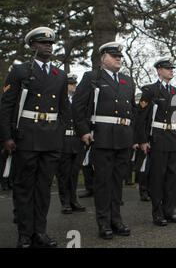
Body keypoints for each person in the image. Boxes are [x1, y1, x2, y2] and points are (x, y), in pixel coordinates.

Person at [0, 27, 70, 248]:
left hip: (50, 138)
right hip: (27, 136)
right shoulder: (20, 71)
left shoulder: (60, 75)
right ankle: (24, 233)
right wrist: (6, 137)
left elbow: (64, 110)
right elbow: (6, 105)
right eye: (42, 43)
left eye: (50, 43)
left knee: (43, 188)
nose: (48, 46)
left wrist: (60, 134)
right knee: (24, 187)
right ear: (32, 46)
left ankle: (40, 231)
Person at [72, 41, 135, 240]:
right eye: (113, 55)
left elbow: (132, 110)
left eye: (120, 56)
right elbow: (78, 107)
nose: (118, 58)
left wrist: (133, 135)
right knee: (103, 182)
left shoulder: (127, 81)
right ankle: (104, 222)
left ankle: (116, 220)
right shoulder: (92, 78)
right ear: (103, 58)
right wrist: (83, 131)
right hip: (102, 136)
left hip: (123, 137)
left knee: (117, 182)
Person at [136, 57, 176, 227]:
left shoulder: (175, 92)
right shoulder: (150, 90)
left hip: (173, 137)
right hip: (157, 137)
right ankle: (157, 213)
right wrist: (142, 140)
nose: (171, 70)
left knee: (173, 177)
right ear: (159, 71)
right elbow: (142, 117)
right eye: (167, 68)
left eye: (172, 68)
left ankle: (170, 211)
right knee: (158, 177)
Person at [56, 74, 86, 214]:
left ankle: (73, 200)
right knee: (64, 173)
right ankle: (65, 202)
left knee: (74, 173)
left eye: (75, 83)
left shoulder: (78, 101)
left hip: (77, 140)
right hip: (64, 140)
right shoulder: (60, 101)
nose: (74, 86)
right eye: (71, 84)